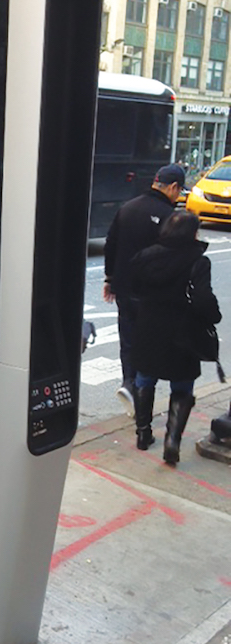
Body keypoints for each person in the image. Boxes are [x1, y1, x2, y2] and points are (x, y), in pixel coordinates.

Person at [130, 211, 222, 465]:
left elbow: (132, 289)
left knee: (144, 378)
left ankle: (142, 433)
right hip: (184, 331)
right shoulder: (197, 261)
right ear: (192, 233)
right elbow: (203, 298)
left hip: (149, 328)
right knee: (182, 385)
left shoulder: (144, 257)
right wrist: (214, 316)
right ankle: (172, 440)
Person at [103, 164, 186, 414]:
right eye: (179, 191)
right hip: (153, 294)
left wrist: (110, 279)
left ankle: (129, 383)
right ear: (172, 187)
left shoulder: (128, 208)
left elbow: (111, 244)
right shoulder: (170, 216)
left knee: (128, 340)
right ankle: (140, 395)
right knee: (150, 344)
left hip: (125, 289)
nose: (179, 195)